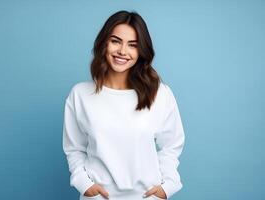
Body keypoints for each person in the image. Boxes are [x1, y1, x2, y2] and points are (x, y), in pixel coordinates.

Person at [62, 10, 185, 200]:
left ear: (141, 51)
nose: (122, 51)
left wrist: (166, 187)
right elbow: (74, 148)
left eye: (133, 45)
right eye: (116, 41)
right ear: (104, 43)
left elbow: (172, 145)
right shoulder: (80, 94)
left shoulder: (160, 94)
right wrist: (84, 184)